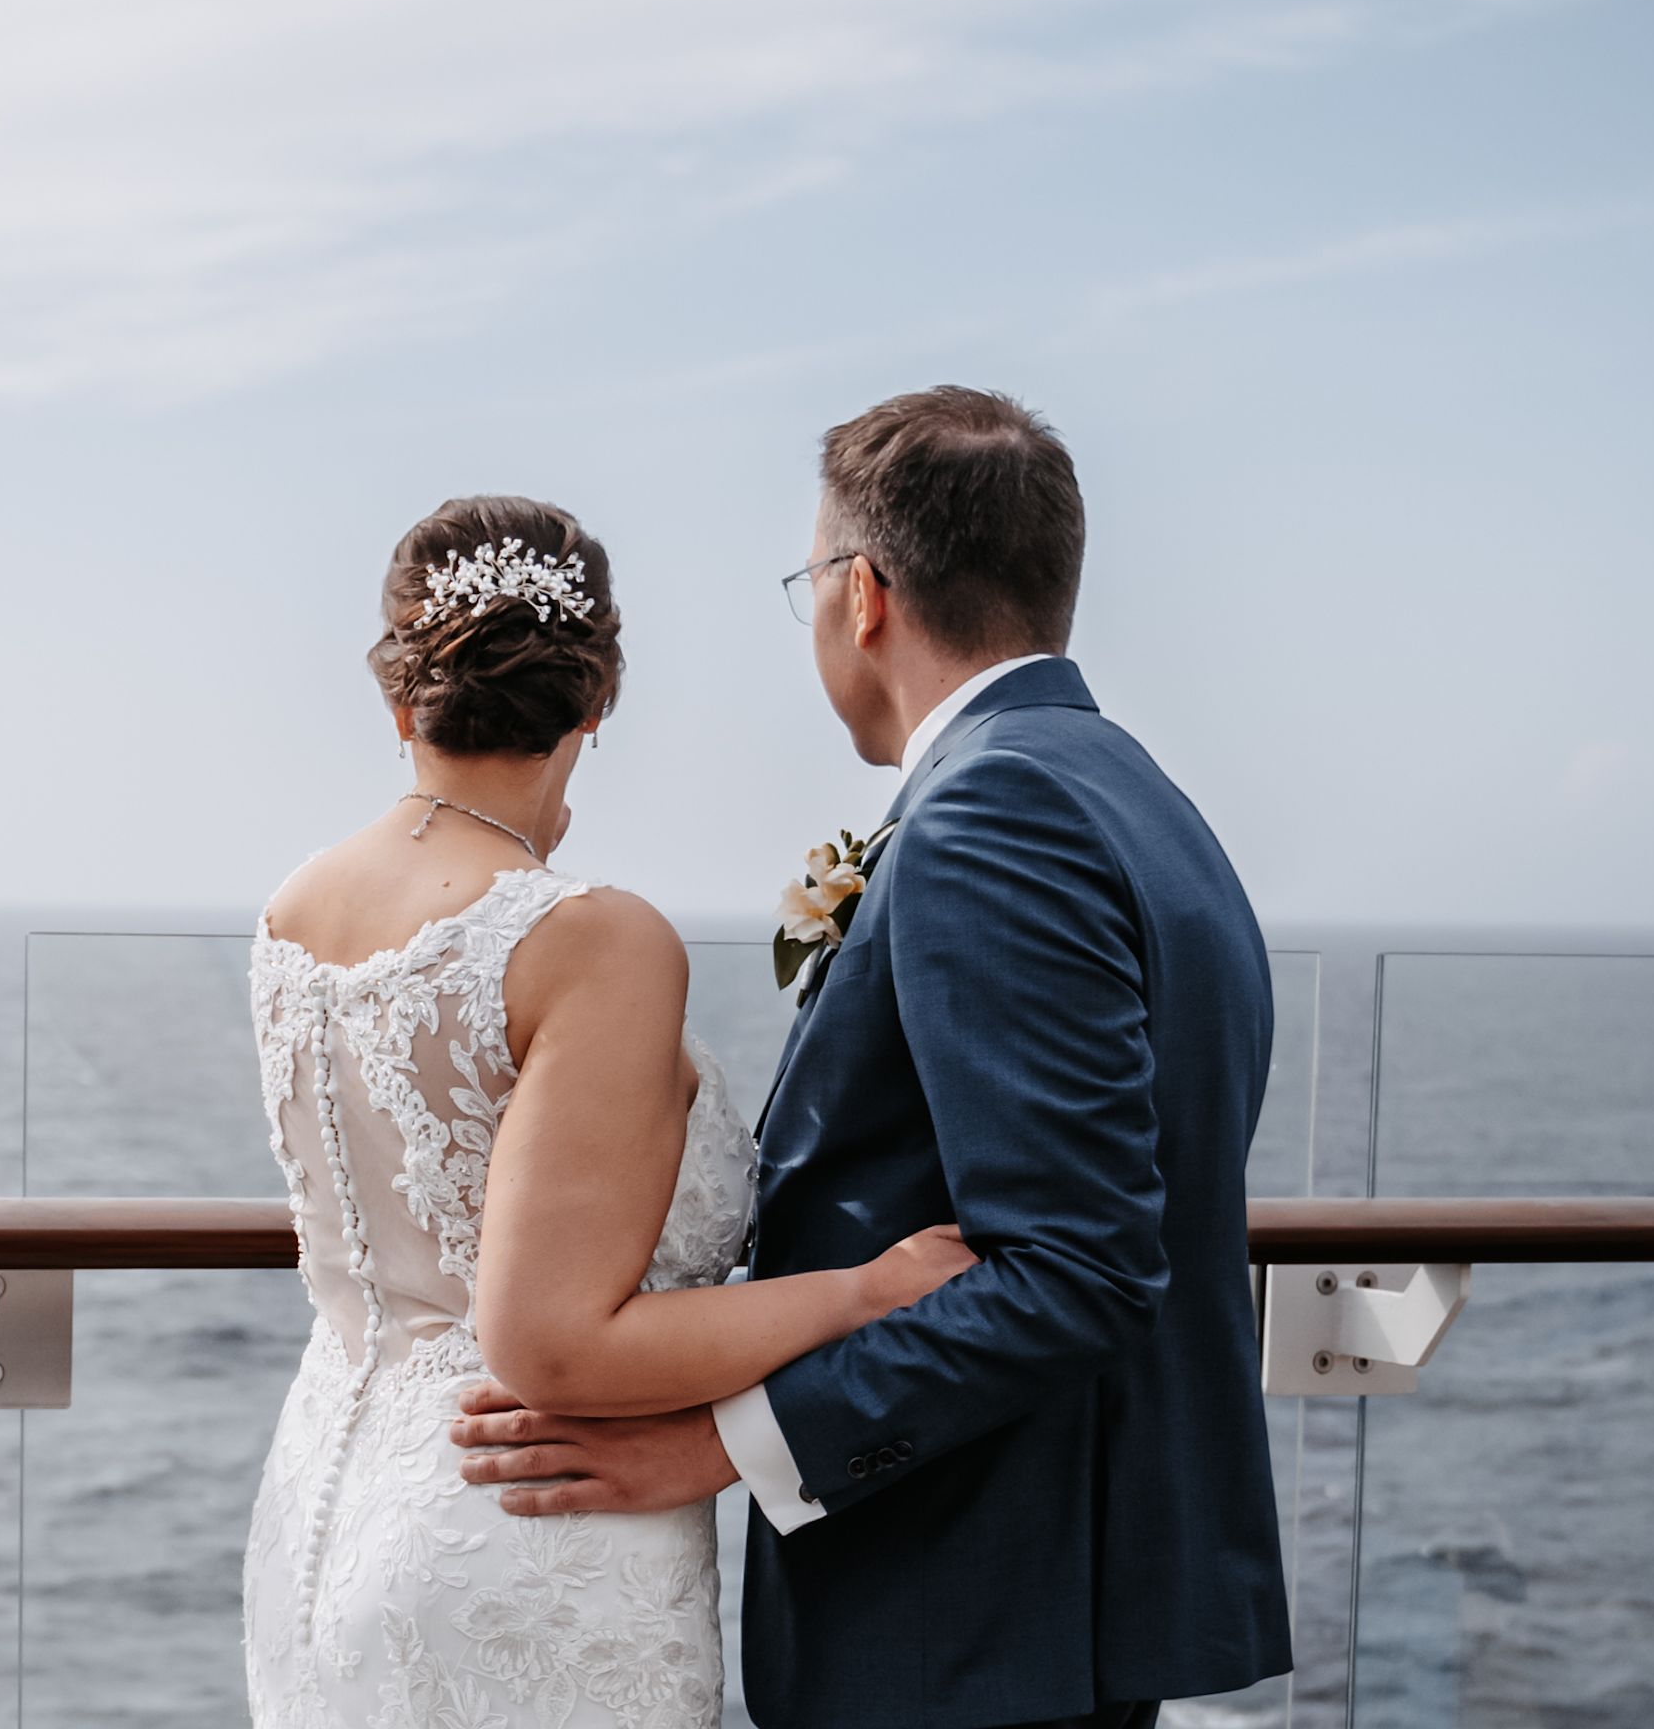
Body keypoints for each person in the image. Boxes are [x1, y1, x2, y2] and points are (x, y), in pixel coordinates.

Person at [444, 388, 1293, 1729]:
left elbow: (1077, 1270)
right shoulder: (1138, 797)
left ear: (866, 595)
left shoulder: (993, 819)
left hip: (972, 1618)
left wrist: (722, 1444)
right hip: (1059, 1607)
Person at [242, 493, 976, 1729]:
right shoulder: (588, 939)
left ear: (398, 693)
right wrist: (862, 1293)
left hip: (322, 1509)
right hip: (525, 1529)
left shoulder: (293, 908)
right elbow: (556, 1346)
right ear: (599, 701)